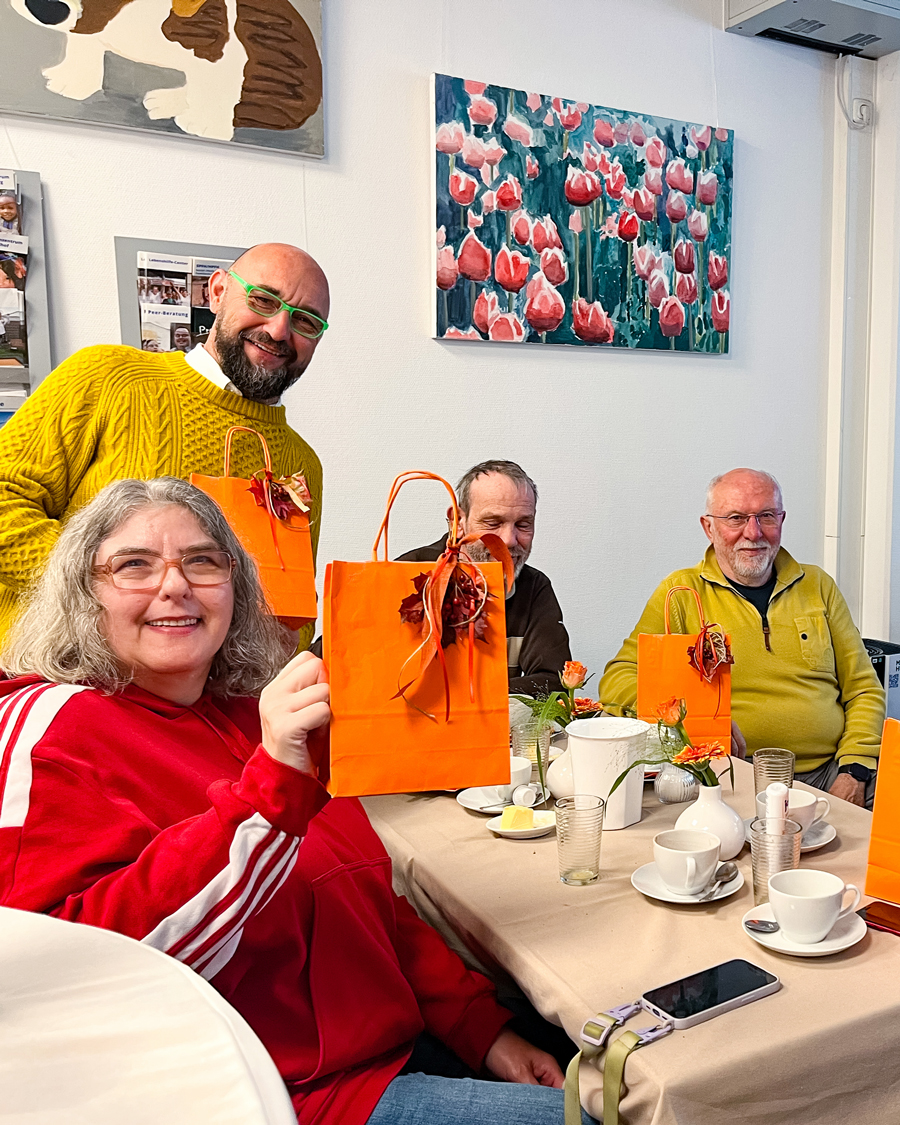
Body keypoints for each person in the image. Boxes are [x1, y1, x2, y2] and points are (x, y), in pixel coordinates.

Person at [0, 478, 585, 1125]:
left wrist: (483, 1031)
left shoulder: (254, 712)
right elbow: (73, 973)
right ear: (84, 594)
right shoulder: (53, 725)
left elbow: (369, 903)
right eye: (134, 564)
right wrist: (271, 789)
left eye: (203, 561)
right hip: (273, 1093)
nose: (175, 585)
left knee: (603, 1063)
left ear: (236, 587)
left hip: (379, 1047)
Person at [0, 242, 329, 647]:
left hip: (216, 690)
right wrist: (105, 595)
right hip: (55, 674)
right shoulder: (108, 378)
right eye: (263, 300)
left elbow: (293, 618)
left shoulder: (302, 464)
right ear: (218, 292)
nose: (279, 331)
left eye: (306, 321)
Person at [600, 468, 885, 808]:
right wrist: (693, 717)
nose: (753, 532)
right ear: (709, 527)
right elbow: (617, 679)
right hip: (729, 775)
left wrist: (855, 769)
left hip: (831, 771)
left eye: (766, 516)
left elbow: (864, 689)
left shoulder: (819, 586)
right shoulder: (681, 593)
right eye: (736, 518)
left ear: (781, 520)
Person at [398, 460, 571, 696]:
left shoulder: (533, 588)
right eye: (493, 523)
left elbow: (554, 681)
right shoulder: (405, 574)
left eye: (523, 524)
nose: (508, 540)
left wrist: (470, 700)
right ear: (458, 522)